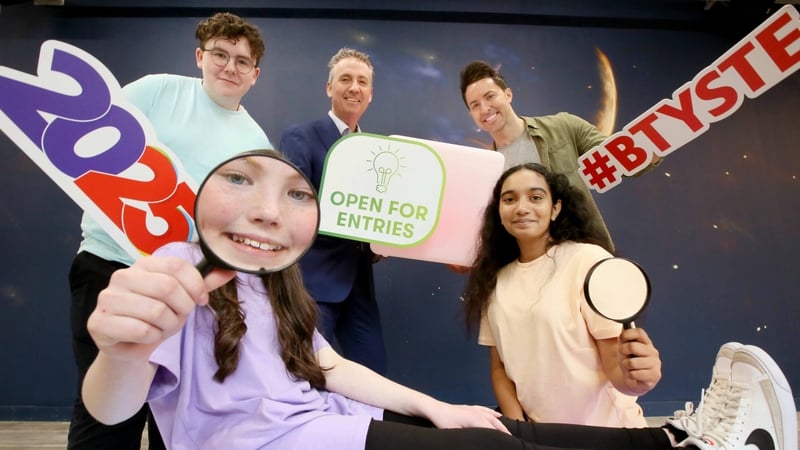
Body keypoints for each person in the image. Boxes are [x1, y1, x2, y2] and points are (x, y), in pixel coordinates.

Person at [80, 151, 796, 450]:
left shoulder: (277, 288)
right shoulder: (176, 271)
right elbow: (111, 408)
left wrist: (436, 406)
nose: (268, 209)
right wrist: (123, 352)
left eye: (295, 194)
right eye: (240, 181)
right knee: (494, 442)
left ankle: (677, 440)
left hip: (329, 423)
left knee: (494, 428)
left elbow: (331, 368)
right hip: (286, 442)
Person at [68, 12, 271, 450]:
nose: (230, 67)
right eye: (220, 54)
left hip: (191, 290)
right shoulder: (156, 91)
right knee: (107, 413)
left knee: (175, 415)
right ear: (200, 56)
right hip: (111, 268)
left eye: (242, 61)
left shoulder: (258, 145)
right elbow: (92, 146)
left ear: (255, 74)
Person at [462, 162, 662, 427]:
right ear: (499, 212)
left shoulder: (587, 259)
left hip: (607, 433)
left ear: (555, 208)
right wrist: (519, 430)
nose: (521, 208)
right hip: (540, 436)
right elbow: (500, 369)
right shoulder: (495, 279)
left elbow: (619, 372)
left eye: (536, 197)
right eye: (509, 199)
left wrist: (638, 379)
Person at [459, 60, 662, 252]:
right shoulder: (485, 169)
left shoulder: (563, 127)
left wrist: (654, 143)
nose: (484, 109)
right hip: (528, 266)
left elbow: (621, 159)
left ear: (508, 94)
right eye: (475, 105)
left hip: (584, 253)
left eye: (490, 96)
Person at [279, 47, 387, 375]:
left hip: (359, 285)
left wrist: (381, 241)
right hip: (312, 284)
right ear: (330, 88)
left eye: (362, 82)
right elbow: (290, 208)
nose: (354, 87)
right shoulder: (301, 137)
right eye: (345, 79)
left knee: (373, 374)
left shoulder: (379, 153)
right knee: (310, 375)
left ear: (370, 94)